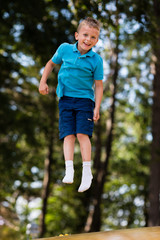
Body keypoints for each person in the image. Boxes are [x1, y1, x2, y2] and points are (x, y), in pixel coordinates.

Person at [39, 17, 103, 192]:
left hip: (85, 101)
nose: (88, 40)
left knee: (82, 134)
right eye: (85, 35)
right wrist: (43, 82)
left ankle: (87, 172)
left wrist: (97, 107)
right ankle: (69, 170)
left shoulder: (96, 60)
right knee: (68, 134)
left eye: (93, 37)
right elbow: (50, 64)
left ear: (97, 40)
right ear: (77, 35)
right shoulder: (65, 49)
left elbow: (98, 85)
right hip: (65, 98)